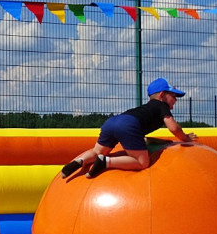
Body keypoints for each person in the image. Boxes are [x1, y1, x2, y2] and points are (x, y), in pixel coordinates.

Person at [60, 77, 198, 179]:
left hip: (113, 122)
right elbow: (173, 128)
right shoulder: (161, 106)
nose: (175, 100)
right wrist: (185, 138)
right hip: (128, 125)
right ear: (162, 95)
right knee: (142, 162)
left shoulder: (146, 108)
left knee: (97, 150)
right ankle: (106, 162)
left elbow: (139, 128)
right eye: (174, 96)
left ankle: (77, 162)